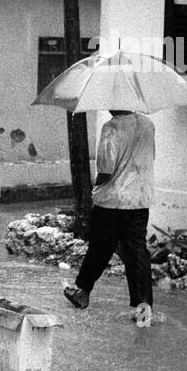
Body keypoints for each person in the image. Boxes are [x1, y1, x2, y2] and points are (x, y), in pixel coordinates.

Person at [63, 109, 156, 327]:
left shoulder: (111, 127)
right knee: (136, 251)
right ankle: (143, 310)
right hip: (139, 199)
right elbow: (150, 156)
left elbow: (106, 169)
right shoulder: (148, 124)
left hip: (112, 200)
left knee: (100, 247)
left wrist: (95, 185)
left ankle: (83, 292)